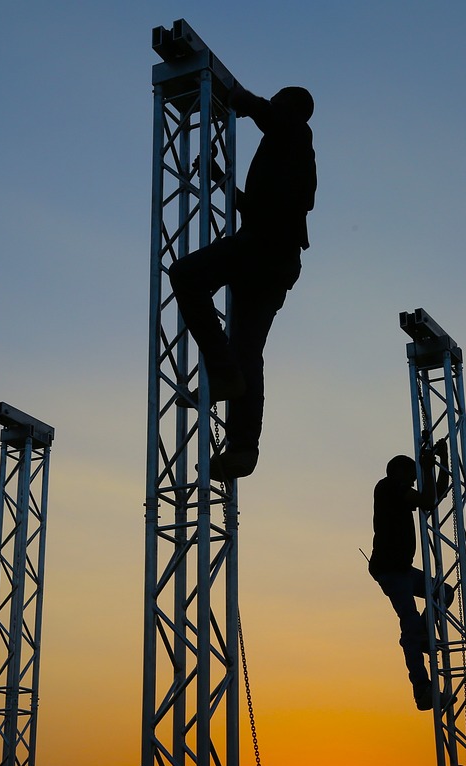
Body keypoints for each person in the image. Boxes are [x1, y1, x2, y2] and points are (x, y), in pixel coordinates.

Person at [169, 82, 317, 481]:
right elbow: (256, 207)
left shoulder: (296, 133)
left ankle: (223, 371)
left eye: (278, 101)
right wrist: (221, 179)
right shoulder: (289, 154)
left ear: (292, 107)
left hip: (265, 250)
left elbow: (268, 112)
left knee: (185, 275)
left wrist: (242, 99)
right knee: (248, 348)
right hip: (275, 258)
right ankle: (242, 448)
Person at [368, 441, 455, 711]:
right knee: (408, 622)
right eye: (413, 476)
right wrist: (429, 468)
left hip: (403, 570)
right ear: (400, 473)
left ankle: (420, 635)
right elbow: (428, 498)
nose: (415, 481)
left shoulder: (399, 490)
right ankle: (422, 688)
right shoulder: (387, 487)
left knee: (444, 591)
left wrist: (442, 463)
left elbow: (434, 496)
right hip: (391, 570)